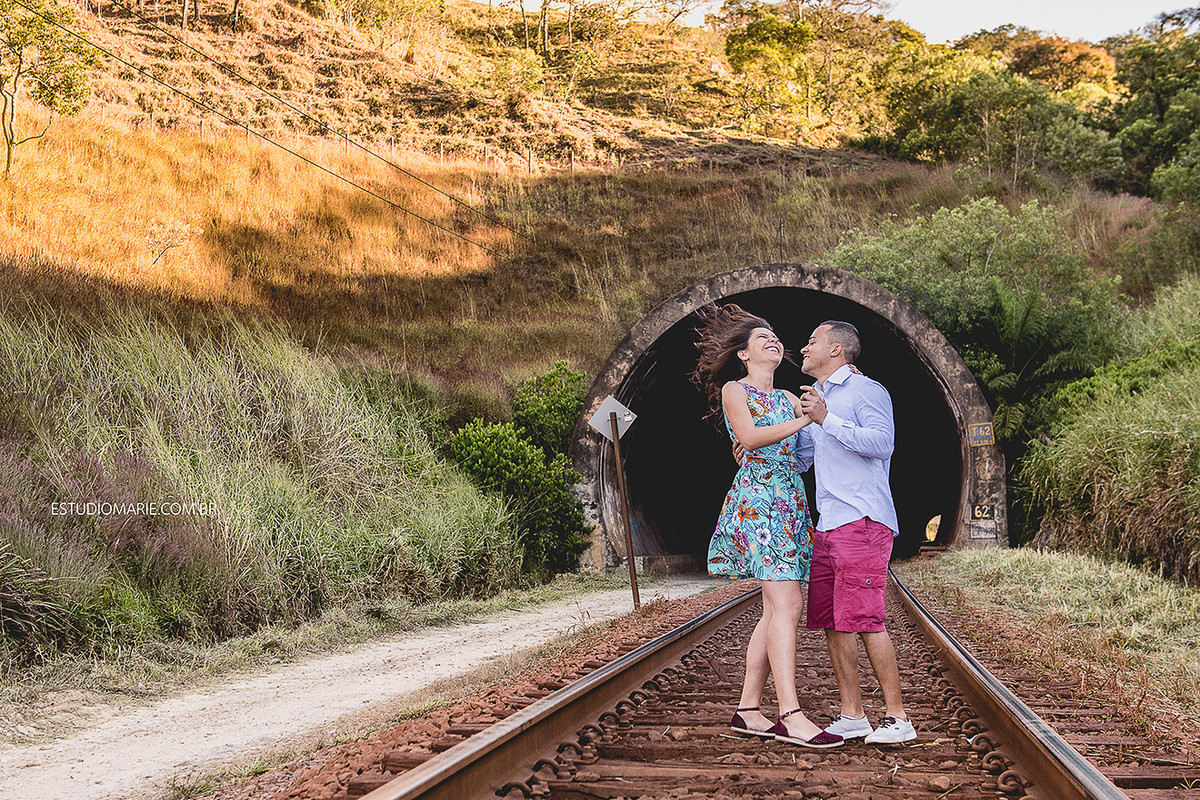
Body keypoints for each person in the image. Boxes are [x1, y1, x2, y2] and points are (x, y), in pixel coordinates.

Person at [690, 303, 844, 750]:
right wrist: (805, 420)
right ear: (744, 353)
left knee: (774, 610)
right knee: (789, 604)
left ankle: (748, 709)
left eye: (776, 337)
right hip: (759, 503)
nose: (774, 341)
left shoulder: (789, 398)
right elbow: (751, 437)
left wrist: (810, 422)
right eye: (763, 338)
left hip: (789, 500)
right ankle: (790, 715)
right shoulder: (734, 390)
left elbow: (805, 453)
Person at [795, 320, 916, 744]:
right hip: (828, 523)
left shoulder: (867, 390)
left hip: (861, 520)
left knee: (865, 620)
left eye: (812, 341)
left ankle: (898, 718)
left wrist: (827, 419)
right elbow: (805, 458)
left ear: (836, 349)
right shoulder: (816, 400)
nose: (804, 348)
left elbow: (883, 443)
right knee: (834, 622)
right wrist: (755, 452)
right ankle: (853, 715)